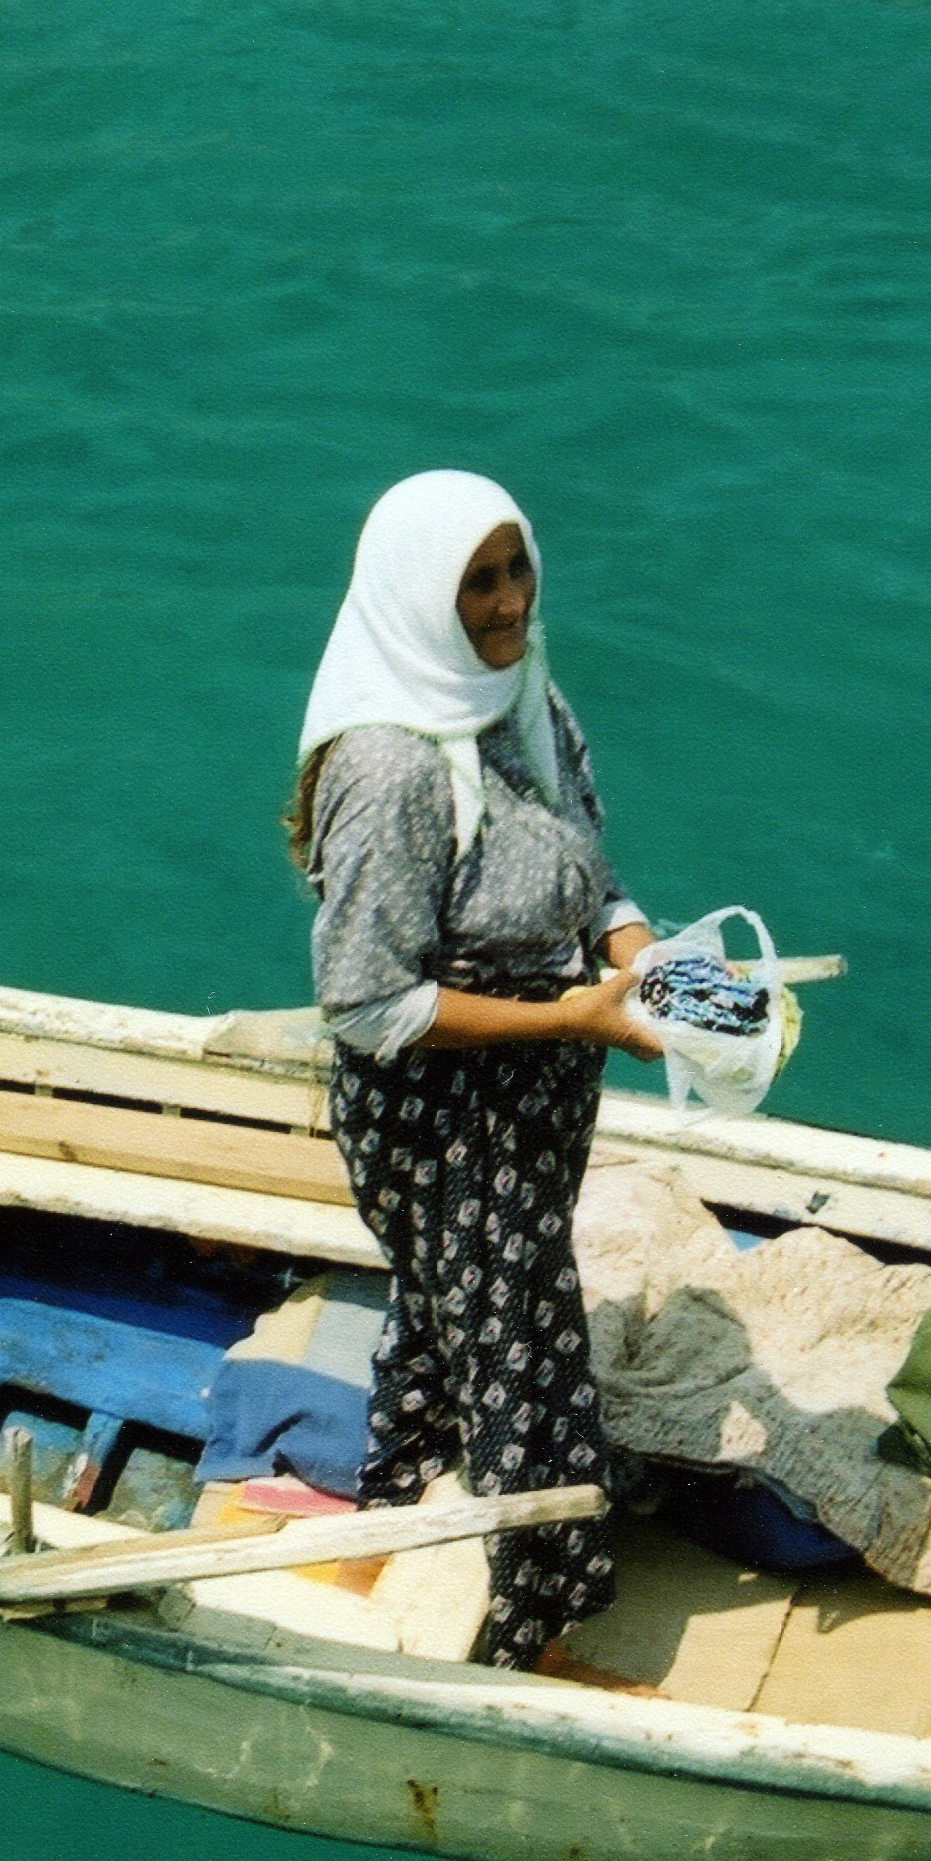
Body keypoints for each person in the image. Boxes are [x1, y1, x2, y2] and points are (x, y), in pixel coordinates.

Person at [288, 469, 661, 1669]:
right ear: (413, 597)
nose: (505, 604)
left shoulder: (527, 700)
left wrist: (642, 963)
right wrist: (567, 1022)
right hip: (439, 1118)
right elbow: (364, 1004)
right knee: (522, 1349)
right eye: (475, 583)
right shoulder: (389, 771)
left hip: (545, 1082)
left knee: (473, 1311)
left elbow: (591, 879)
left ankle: (398, 1475)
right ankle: (528, 1609)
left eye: (515, 570)